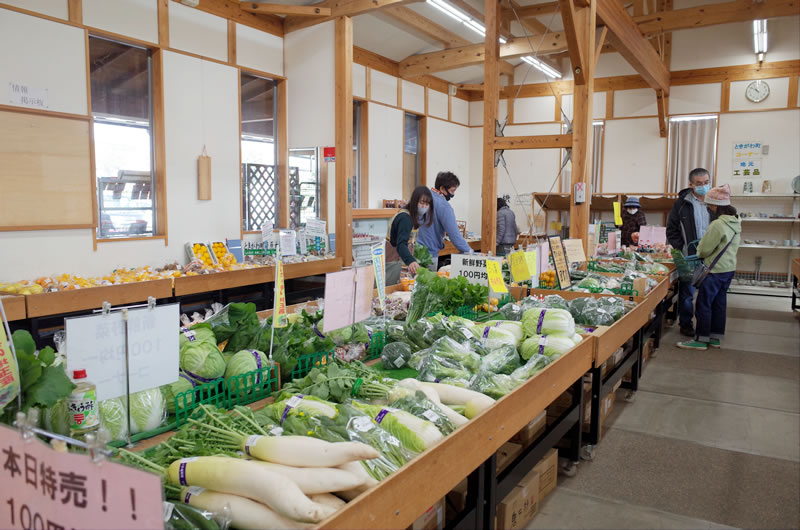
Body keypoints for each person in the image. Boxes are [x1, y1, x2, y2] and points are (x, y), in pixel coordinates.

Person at [677, 184, 740, 351]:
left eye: (710, 205)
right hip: (728, 269)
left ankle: (701, 339)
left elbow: (704, 250)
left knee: (704, 304)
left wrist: (699, 249)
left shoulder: (717, 225)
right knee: (719, 304)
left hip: (713, 270)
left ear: (716, 207)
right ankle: (715, 337)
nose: (708, 209)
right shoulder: (736, 221)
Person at [666, 168, 712, 337]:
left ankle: (706, 327)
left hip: (711, 256)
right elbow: (671, 230)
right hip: (688, 256)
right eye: (699, 183)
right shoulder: (681, 203)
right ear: (691, 184)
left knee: (708, 294)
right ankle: (686, 324)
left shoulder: (714, 202)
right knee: (687, 294)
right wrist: (682, 247)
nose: (703, 186)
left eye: (706, 182)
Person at [417, 171, 474, 270]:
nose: (453, 194)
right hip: (429, 254)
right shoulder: (444, 206)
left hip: (414, 252)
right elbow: (454, 235)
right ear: (442, 188)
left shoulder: (422, 197)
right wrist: (471, 253)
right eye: (452, 191)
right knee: (427, 283)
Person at [384, 186, 433, 285]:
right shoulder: (405, 218)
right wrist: (411, 261)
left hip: (399, 261)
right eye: (421, 203)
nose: (424, 207)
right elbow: (401, 244)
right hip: (394, 262)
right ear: (415, 202)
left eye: (427, 204)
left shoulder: (411, 216)